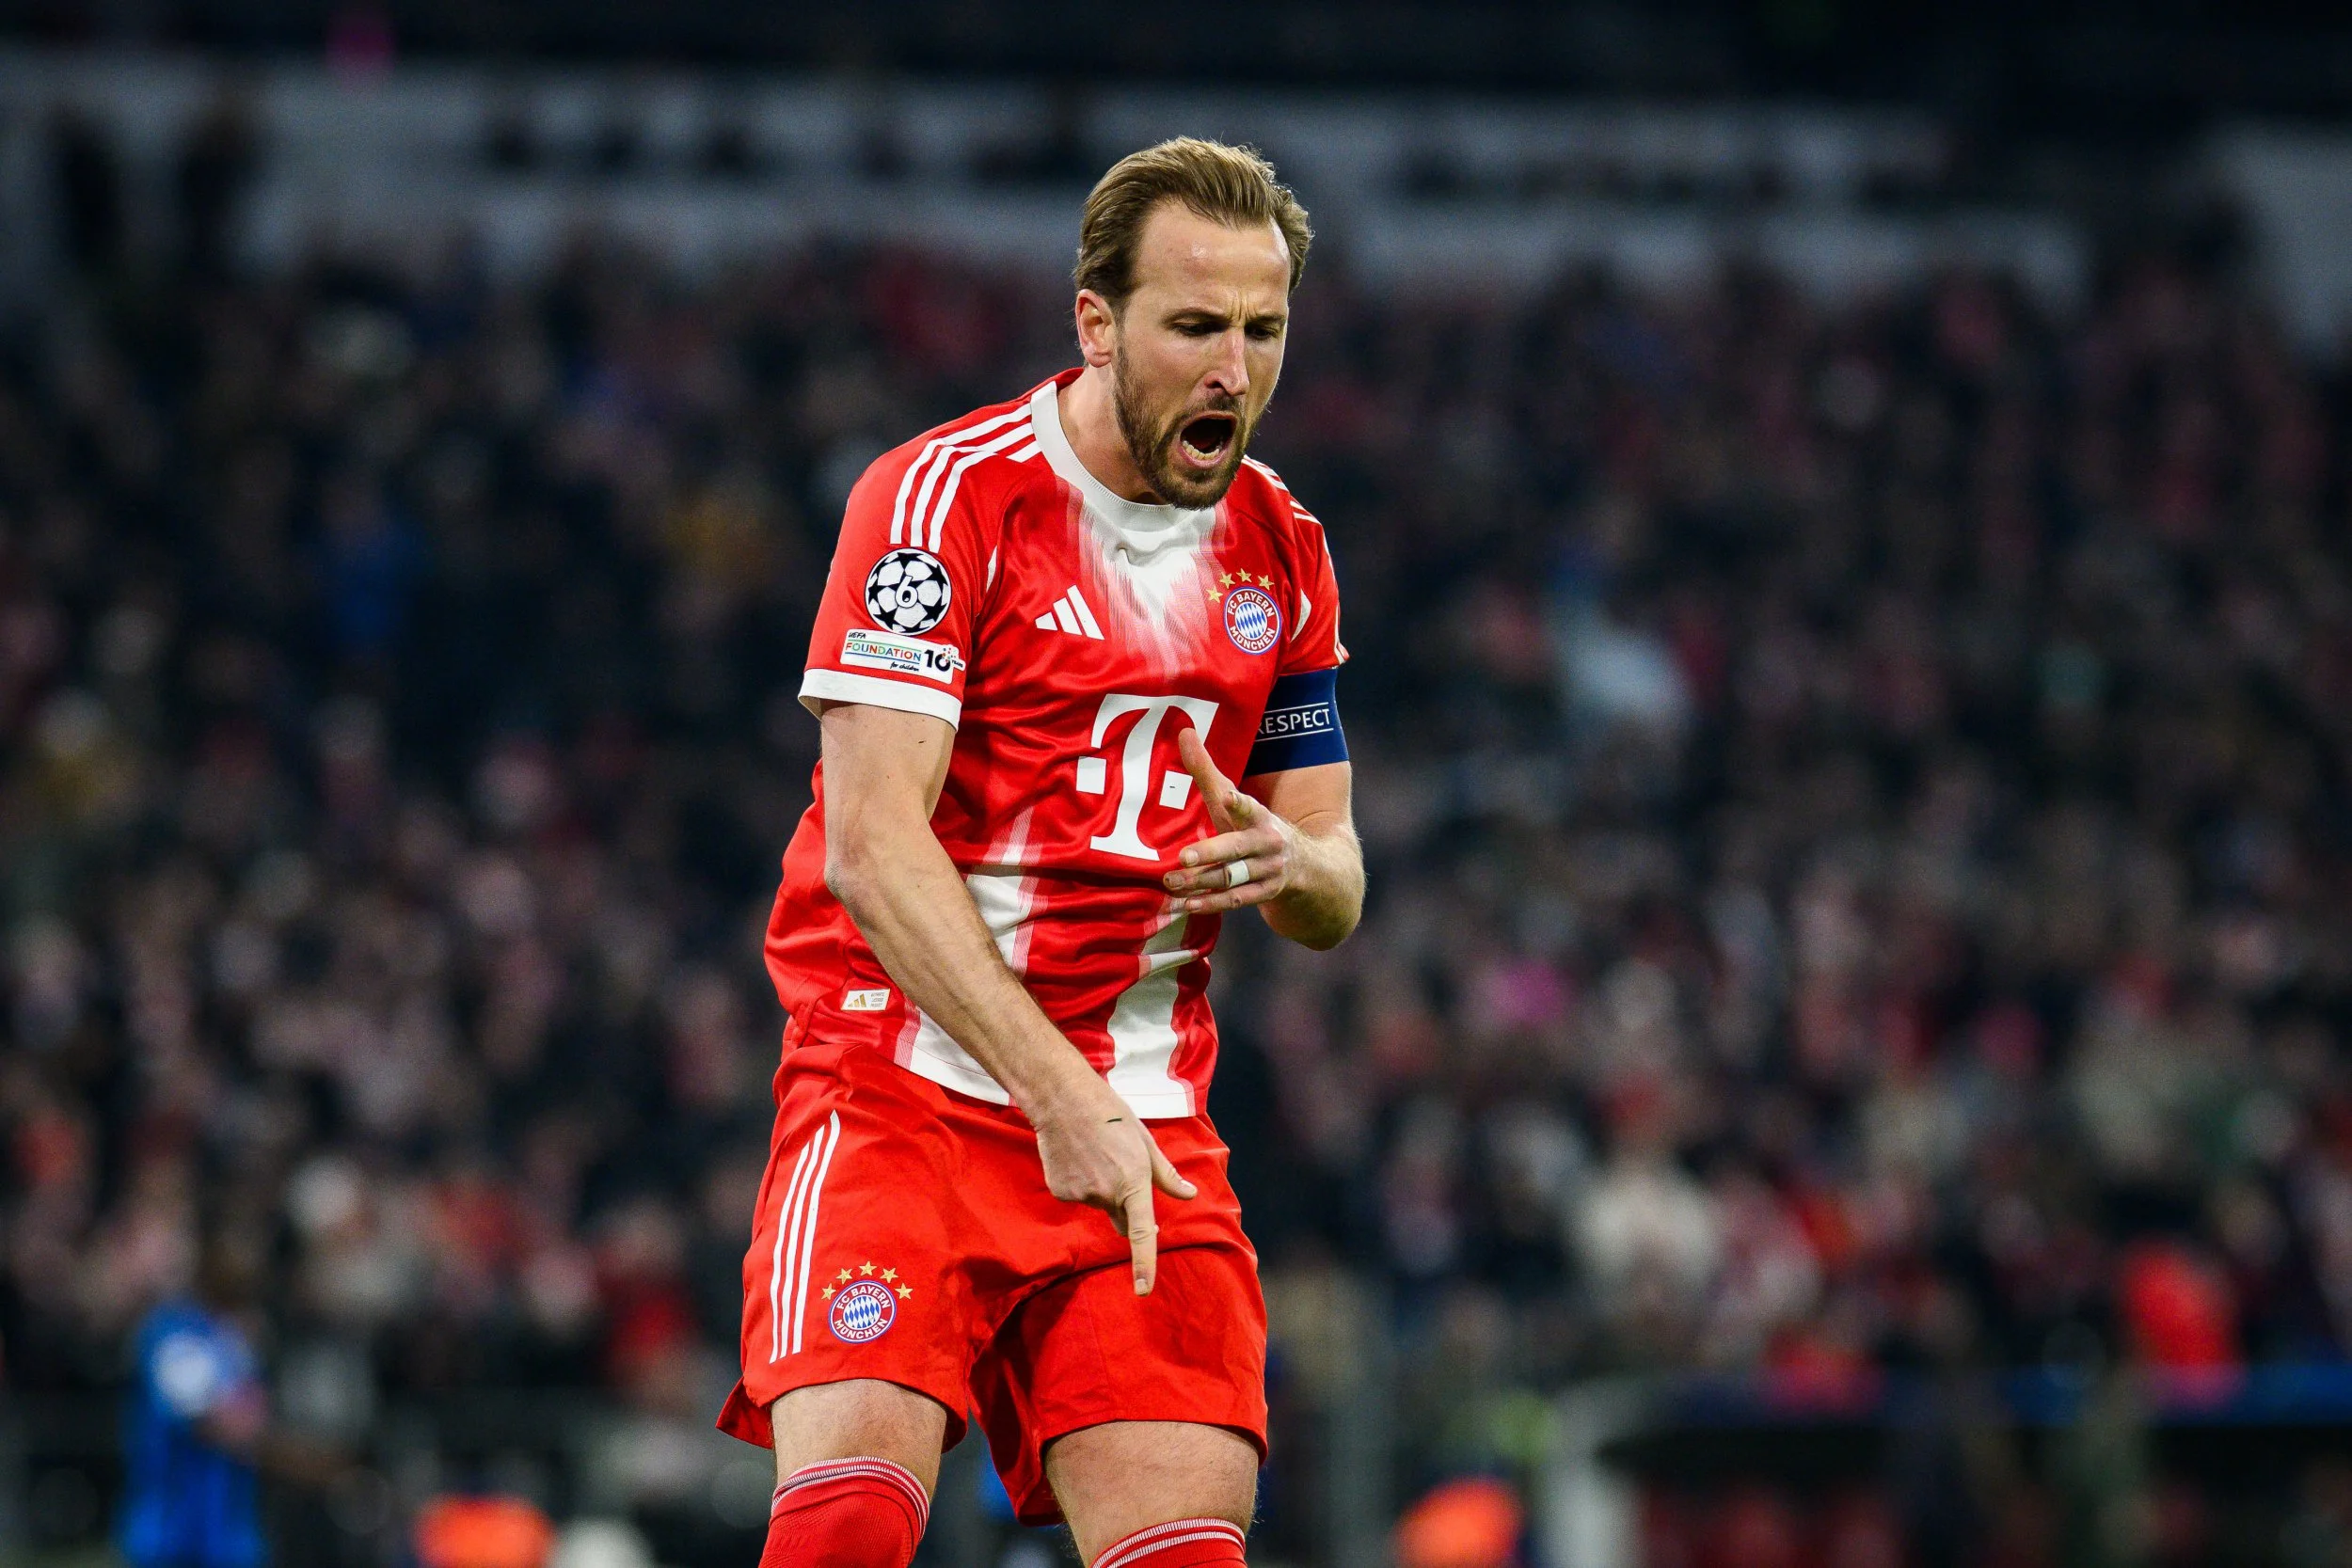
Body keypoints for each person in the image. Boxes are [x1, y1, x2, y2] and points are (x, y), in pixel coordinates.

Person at [718, 137, 1364, 1568]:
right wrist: (1053, 1089)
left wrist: (1298, 869)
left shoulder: (1286, 550)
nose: (1232, 369)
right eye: (1195, 325)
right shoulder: (942, 501)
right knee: (845, 1533)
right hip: (905, 1088)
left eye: (1262, 331)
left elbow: (1335, 875)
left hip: (1139, 1118)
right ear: (1096, 321)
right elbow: (876, 853)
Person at [119, 1234, 272, 1568]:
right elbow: (221, 1424)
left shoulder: (236, 1332)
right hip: (173, 1533)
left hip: (229, 1534)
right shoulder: (171, 1332)